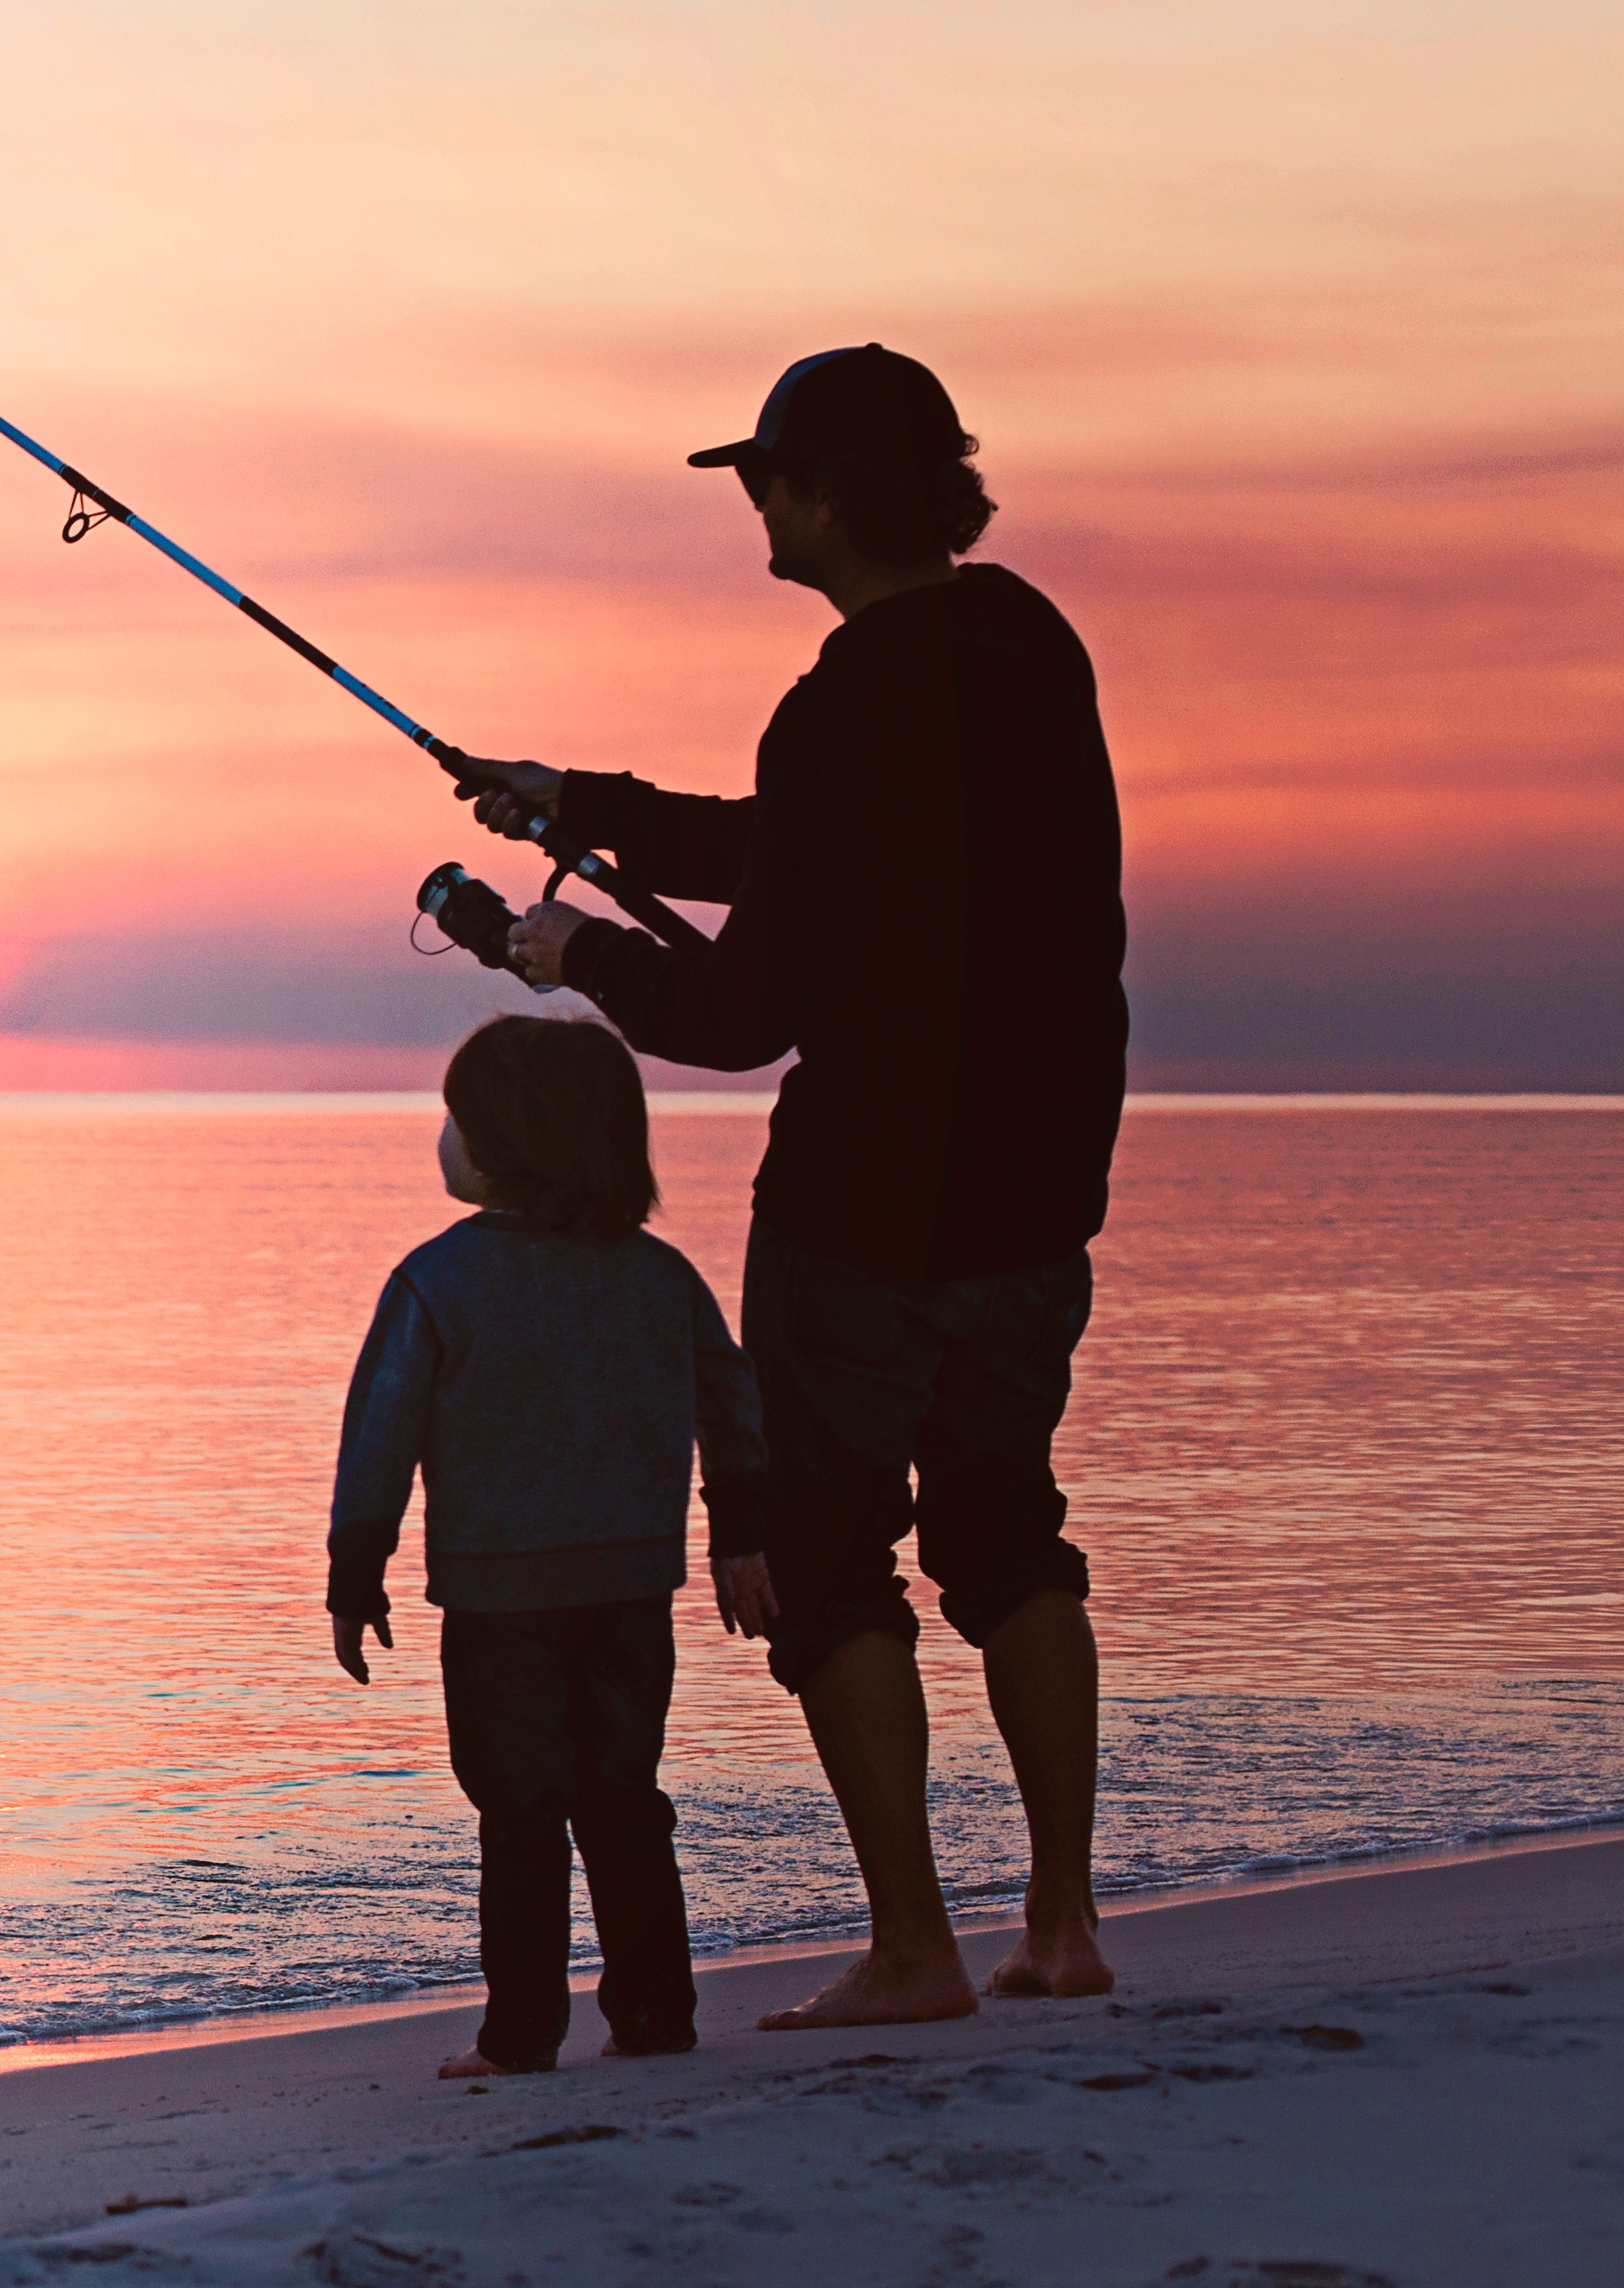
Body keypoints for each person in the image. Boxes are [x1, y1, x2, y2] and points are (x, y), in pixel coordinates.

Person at [462, 342, 1130, 2029]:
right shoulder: (1025, 646)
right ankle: (1058, 1922)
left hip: (858, 1219)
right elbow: (820, 844)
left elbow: (741, 1013)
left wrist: (566, 952)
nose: (751, 502)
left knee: (829, 1566)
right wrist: (587, 809)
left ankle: (910, 1945)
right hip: (1036, 1195)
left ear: (825, 489)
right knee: (1007, 1536)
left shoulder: (838, 703)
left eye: (764, 475)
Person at [329, 1013, 774, 2081]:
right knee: (624, 1798)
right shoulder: (659, 1274)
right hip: (631, 1584)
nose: (442, 1136)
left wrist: (356, 1571)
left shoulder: (437, 1280)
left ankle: (522, 2034)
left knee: (519, 1811)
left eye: (456, 1118)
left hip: (498, 1599)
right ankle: (656, 2014)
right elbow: (736, 1407)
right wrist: (741, 1535)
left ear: (505, 1142)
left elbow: (381, 1429)